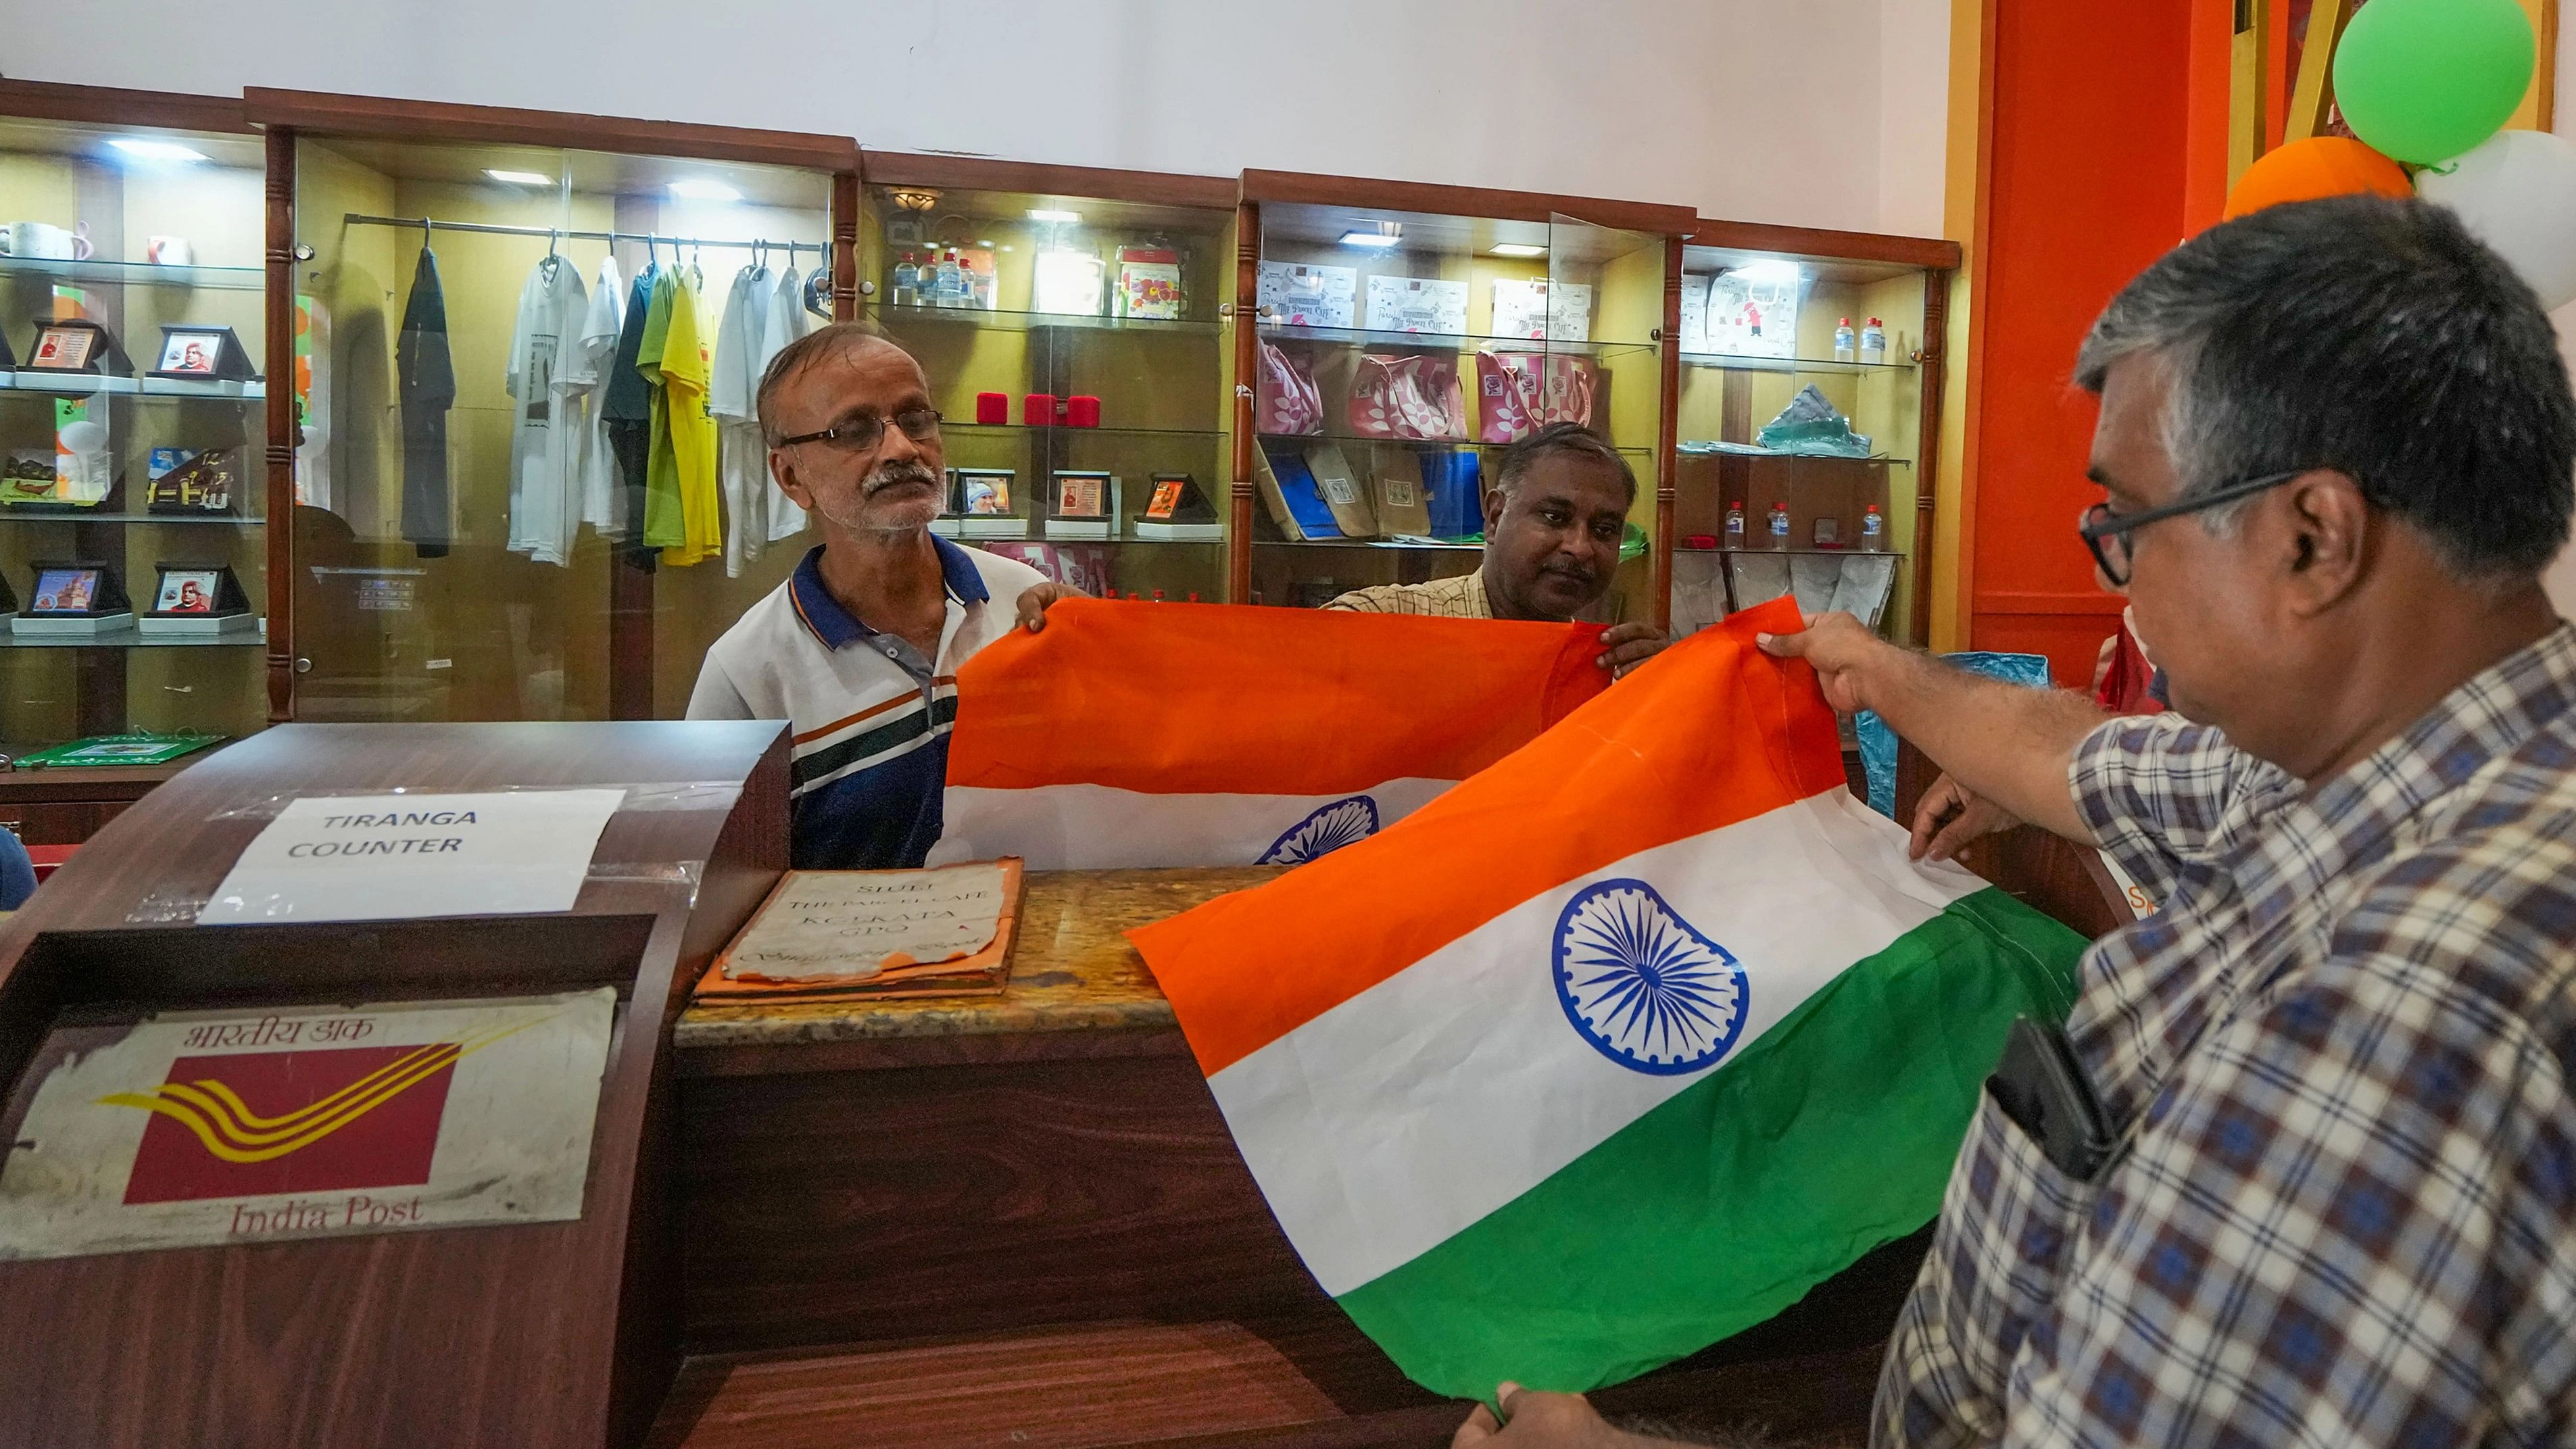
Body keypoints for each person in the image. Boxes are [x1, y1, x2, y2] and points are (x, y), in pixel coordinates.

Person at [1455, 195, 2576, 1446]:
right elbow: (2079, 756)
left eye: (2128, 526)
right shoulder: (2417, 765)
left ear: (2311, 536)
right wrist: (1869, 665)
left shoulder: (2390, 1031)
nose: (2121, 578)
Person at [688, 326, 1075, 869]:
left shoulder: (1026, 604)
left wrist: (1098, 651)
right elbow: (719, 886)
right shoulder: (746, 674)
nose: (901, 448)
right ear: (790, 475)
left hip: (1040, 940)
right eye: (853, 431)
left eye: (916, 420)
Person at [1325, 423, 1669, 677]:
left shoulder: (1613, 668)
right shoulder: (1383, 622)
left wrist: (1670, 691)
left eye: (1604, 530)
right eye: (1554, 517)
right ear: (1495, 517)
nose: (1580, 547)